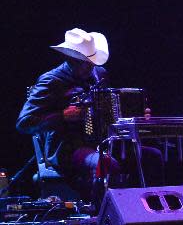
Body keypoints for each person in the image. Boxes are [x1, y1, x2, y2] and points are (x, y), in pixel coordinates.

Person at [17, 28, 114, 199]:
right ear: (70, 59)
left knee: (151, 156)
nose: (91, 66)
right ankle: (101, 216)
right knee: (105, 163)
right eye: (86, 62)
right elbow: (24, 123)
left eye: (92, 61)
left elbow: (109, 111)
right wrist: (62, 116)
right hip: (67, 149)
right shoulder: (51, 81)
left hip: (103, 144)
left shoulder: (98, 74)